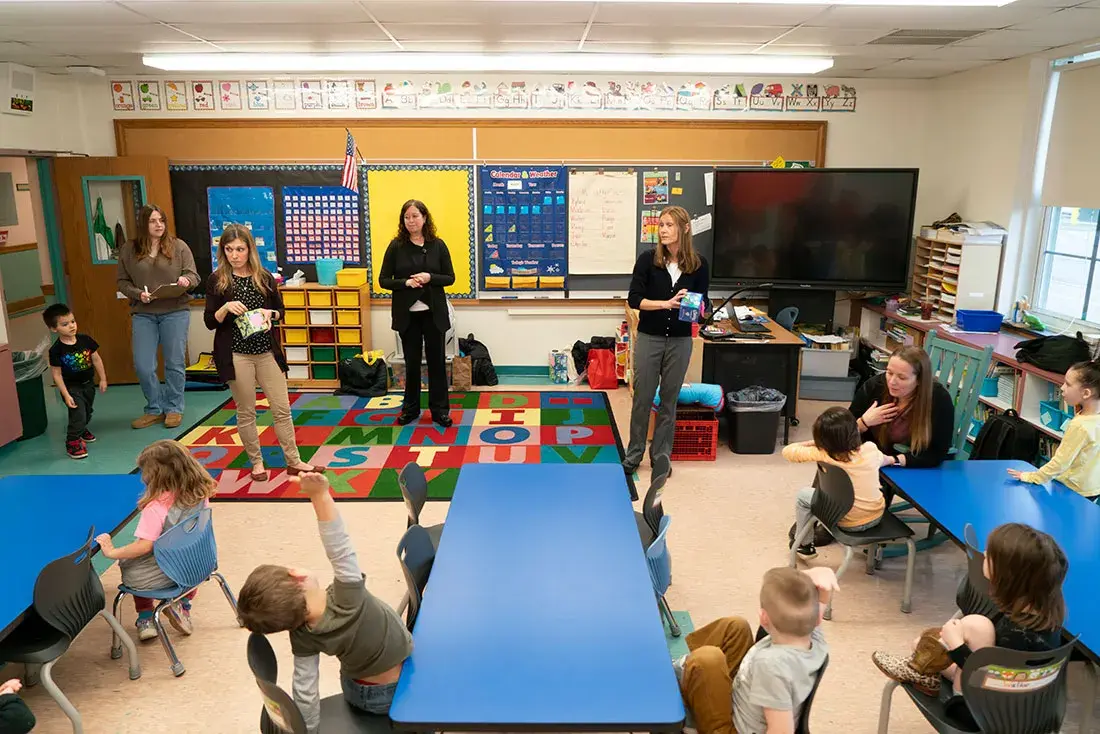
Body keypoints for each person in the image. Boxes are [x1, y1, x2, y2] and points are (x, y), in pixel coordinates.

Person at [236, 472, 413, 730]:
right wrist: (319, 495)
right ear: (297, 577)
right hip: (391, 695)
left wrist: (307, 729)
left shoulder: (302, 636)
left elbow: (305, 688)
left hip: (357, 691)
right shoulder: (348, 597)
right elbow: (338, 544)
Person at [872, 523, 1066, 700]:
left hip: (983, 711)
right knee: (923, 644)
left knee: (974, 627)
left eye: (989, 555)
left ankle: (924, 673)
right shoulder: (1041, 611)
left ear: (1008, 575)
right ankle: (922, 670)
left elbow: (985, 676)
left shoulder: (1019, 636)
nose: (983, 552)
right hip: (1018, 700)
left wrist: (957, 645)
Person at [203, 224, 317, 482]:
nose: (235, 255)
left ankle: (294, 460)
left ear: (249, 249)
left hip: (265, 351)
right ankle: (256, 462)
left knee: (281, 407)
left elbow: (281, 312)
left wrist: (270, 314)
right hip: (236, 354)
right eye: (229, 249)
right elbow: (210, 320)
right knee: (246, 411)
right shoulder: (217, 280)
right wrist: (225, 308)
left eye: (240, 249)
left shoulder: (263, 277)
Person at [674, 567, 835, 734]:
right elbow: (820, 602)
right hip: (745, 695)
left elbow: (782, 731)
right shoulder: (812, 634)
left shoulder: (771, 668)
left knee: (707, 659)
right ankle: (683, 671)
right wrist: (822, 578)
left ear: (764, 618)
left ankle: (690, 707)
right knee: (737, 626)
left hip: (732, 729)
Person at [94, 440, 217, 641]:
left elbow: (144, 546)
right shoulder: (200, 492)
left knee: (131, 564)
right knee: (184, 563)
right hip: (199, 563)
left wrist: (111, 551)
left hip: (168, 572)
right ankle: (183, 604)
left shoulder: (156, 507)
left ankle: (145, 616)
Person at [624, 205, 710, 475]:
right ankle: (634, 454)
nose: (662, 230)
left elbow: (703, 302)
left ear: (685, 229)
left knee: (669, 401)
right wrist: (666, 304)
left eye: (669, 225)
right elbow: (634, 299)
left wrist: (699, 307)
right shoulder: (647, 260)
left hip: (680, 341)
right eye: (661, 225)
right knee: (643, 398)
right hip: (650, 338)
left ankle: (661, 456)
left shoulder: (698, 264)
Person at [117, 204, 199, 430]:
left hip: (175, 310)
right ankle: (154, 408)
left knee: (174, 362)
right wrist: (137, 294)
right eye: (153, 221)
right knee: (143, 364)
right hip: (144, 313)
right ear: (144, 224)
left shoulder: (179, 246)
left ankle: (173, 408)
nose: (158, 225)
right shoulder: (129, 249)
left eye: (161, 220)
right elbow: (122, 282)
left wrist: (186, 281)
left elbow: (193, 275)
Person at [377, 199, 455, 427]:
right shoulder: (396, 246)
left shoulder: (437, 245)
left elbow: (450, 278)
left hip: (433, 314)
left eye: (415, 216)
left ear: (424, 218)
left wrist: (430, 278)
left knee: (437, 363)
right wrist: (405, 283)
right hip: (407, 316)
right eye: (407, 217)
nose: (411, 221)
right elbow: (384, 280)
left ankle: (440, 411)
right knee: (411, 364)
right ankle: (410, 409)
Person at [784, 406, 888, 560]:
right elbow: (886, 459)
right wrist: (899, 460)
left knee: (802, 496)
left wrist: (817, 443)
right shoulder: (870, 450)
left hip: (842, 520)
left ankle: (804, 545)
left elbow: (788, 451)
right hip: (876, 516)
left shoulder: (822, 453)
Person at [849, 346, 954, 468]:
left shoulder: (939, 398)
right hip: (869, 458)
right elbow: (839, 433)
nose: (892, 382)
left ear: (919, 380)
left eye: (902, 377)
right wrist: (864, 422)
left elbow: (936, 452)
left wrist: (892, 460)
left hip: (912, 465)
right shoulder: (875, 386)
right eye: (889, 372)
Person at [1009, 359, 1100, 498]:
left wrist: (1032, 477)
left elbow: (1060, 463)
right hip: (1092, 488)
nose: (1062, 388)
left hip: (1072, 490)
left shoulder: (1080, 426)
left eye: (1068, 384)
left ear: (1086, 393)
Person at [43, 303, 107, 460]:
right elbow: (57, 374)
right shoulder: (56, 350)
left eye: (73, 321)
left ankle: (82, 428)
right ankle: (72, 441)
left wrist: (103, 379)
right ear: (54, 328)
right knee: (78, 413)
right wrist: (65, 395)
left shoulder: (86, 340)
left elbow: (97, 359)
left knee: (87, 411)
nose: (71, 326)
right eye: (65, 324)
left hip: (88, 384)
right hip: (72, 387)